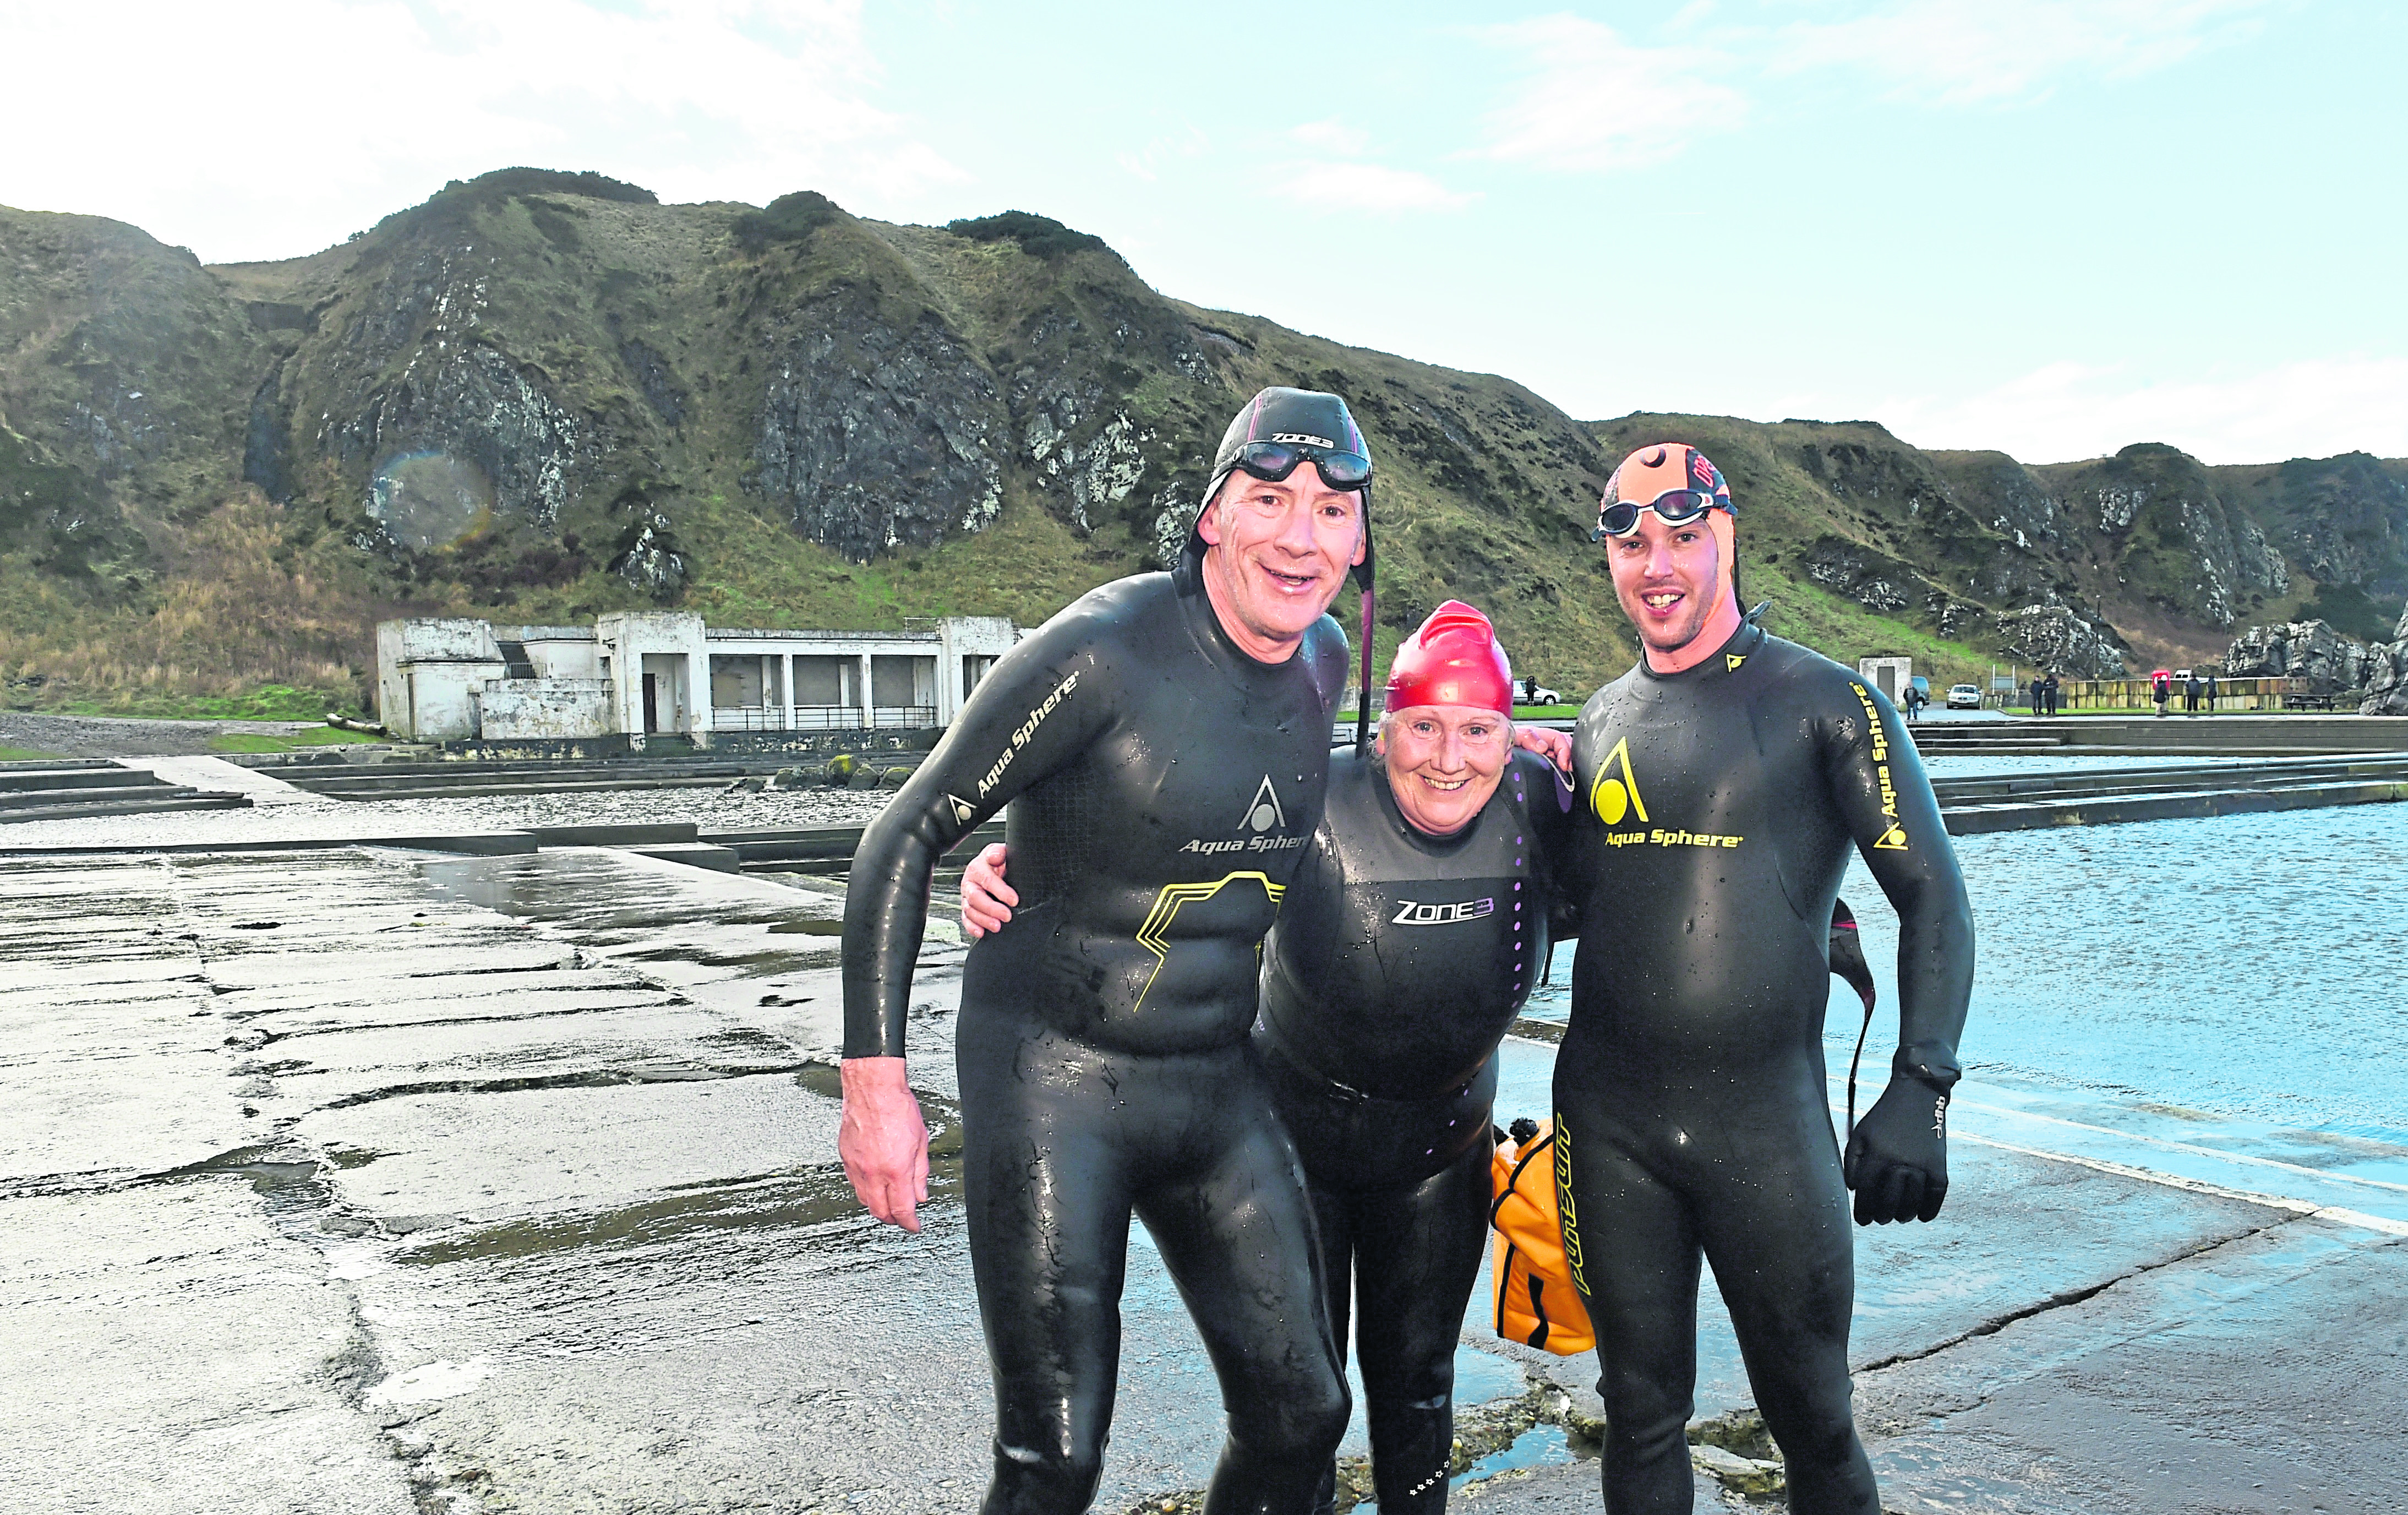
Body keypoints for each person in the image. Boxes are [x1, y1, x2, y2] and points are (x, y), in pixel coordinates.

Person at [838, 386, 1376, 1515]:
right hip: (1055, 1077)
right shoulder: (1101, 653)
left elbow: (1356, 792)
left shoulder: (1328, 659)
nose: (1300, 534)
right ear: (1212, 518)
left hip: (1217, 1078)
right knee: (1058, 1460)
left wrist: (1522, 753)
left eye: (1332, 509)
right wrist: (876, 1088)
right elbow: (909, 830)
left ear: (1358, 538)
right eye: (1271, 499)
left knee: (1305, 1415)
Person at [961, 602, 1579, 1515]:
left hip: (1441, 1152)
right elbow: (1152, 844)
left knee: (1421, 1396)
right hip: (1294, 1149)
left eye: (1477, 729)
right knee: (1299, 1417)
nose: (1449, 759)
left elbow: (1657, 882)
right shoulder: (1310, 792)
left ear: (1507, 733)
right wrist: (1010, 868)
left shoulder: (1541, 803)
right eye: (1424, 726)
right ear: (1383, 729)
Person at [1558, 443, 1975, 1515]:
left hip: (1766, 1127)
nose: (1658, 561)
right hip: (1606, 1126)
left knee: (1815, 1418)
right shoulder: (1600, 718)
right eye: (1631, 538)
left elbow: (1933, 893)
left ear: (1727, 534)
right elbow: (1564, 906)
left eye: (1683, 533)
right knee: (1639, 1407)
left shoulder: (1826, 701)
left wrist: (1921, 1081)